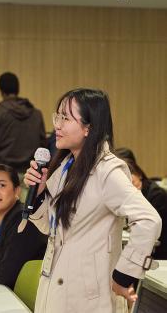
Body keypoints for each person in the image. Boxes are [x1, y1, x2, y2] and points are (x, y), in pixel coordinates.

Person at [24, 88, 162, 313]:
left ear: (89, 127)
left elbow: (149, 220)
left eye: (66, 118)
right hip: (57, 285)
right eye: (57, 116)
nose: (57, 125)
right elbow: (51, 229)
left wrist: (124, 274)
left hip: (88, 298)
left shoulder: (107, 170)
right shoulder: (67, 166)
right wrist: (40, 192)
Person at [0, 164, 47, 289]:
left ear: (17, 190)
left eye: (1, 185)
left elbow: (6, 275)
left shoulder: (25, 222)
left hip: (19, 298)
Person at [0, 72, 47, 174]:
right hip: (30, 173)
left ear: (1, 90)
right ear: (17, 89)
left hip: (2, 172)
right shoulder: (36, 114)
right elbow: (43, 144)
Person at [115, 149, 167, 260]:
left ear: (139, 175)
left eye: (132, 182)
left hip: (159, 252)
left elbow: (155, 230)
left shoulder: (158, 195)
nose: (131, 188)